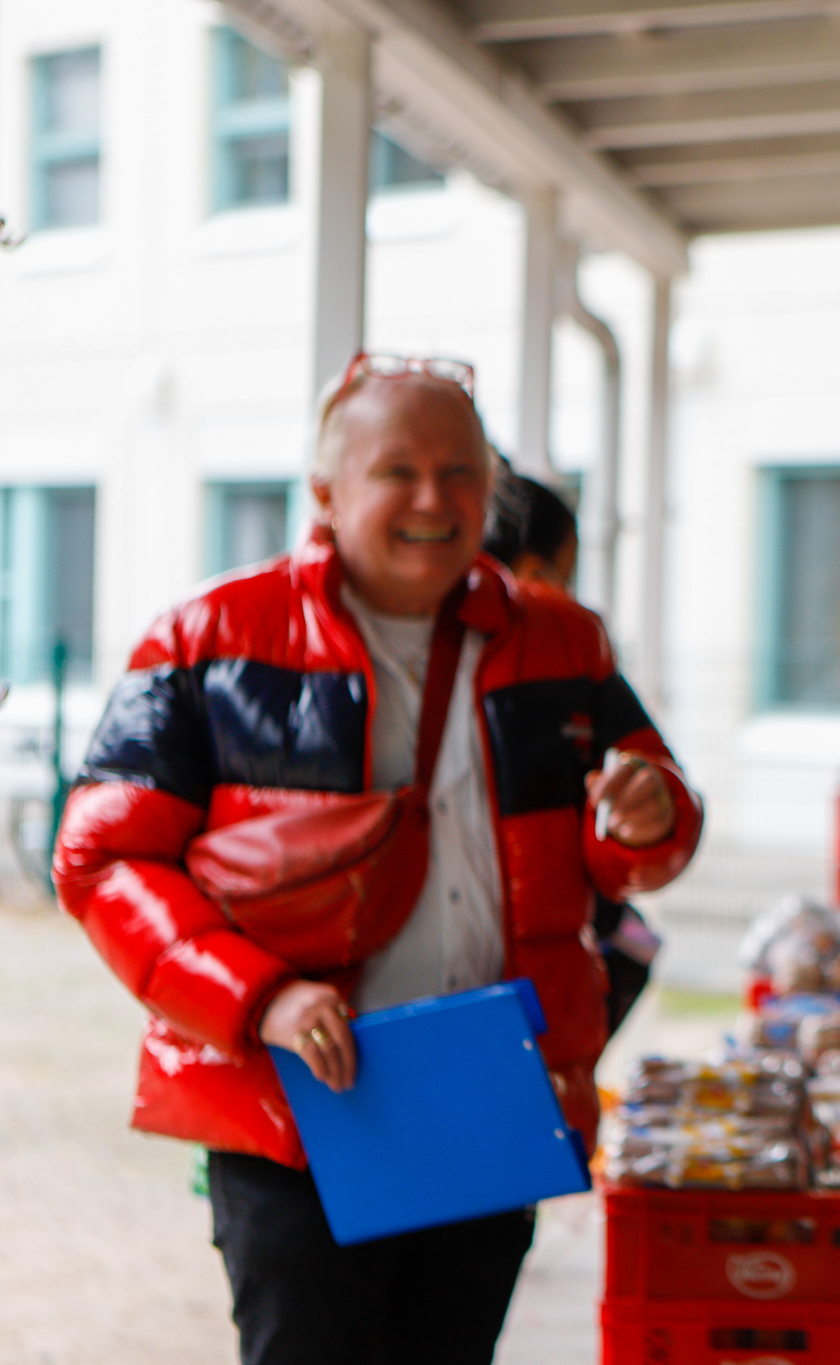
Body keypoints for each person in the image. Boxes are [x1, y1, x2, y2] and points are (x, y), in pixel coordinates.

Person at [54, 353, 704, 1365]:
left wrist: (650, 815)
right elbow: (103, 859)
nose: (433, 498)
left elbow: (648, 830)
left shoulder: (565, 642)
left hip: (487, 1089)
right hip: (295, 1105)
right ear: (325, 490)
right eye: (398, 470)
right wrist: (258, 996)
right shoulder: (208, 638)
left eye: (461, 471)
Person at [483, 469, 663, 1037]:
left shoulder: (576, 651)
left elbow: (661, 785)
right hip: (538, 973)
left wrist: (656, 813)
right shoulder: (565, 651)